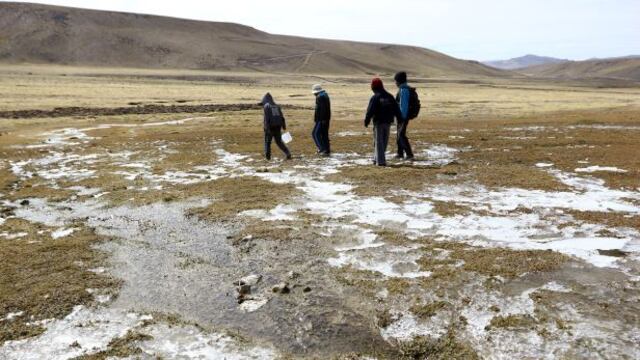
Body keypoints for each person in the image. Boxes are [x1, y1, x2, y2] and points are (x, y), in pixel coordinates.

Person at [364, 78, 402, 166]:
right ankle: (376, 158)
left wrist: (367, 120)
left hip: (379, 122)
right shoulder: (390, 96)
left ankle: (380, 161)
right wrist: (399, 118)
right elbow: (396, 109)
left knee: (379, 142)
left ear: (374, 87)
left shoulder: (375, 97)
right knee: (383, 141)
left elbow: (370, 110)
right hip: (388, 122)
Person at [260, 93, 292, 160]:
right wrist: (283, 126)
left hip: (270, 127)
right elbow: (282, 117)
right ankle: (288, 153)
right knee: (279, 142)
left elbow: (266, 118)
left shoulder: (266, 106)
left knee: (267, 142)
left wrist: (266, 128)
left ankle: (267, 157)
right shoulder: (277, 106)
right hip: (278, 127)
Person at [394, 71, 414, 160]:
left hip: (403, 117)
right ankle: (400, 153)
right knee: (399, 134)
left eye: (396, 81)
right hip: (402, 116)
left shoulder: (404, 90)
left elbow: (404, 106)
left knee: (401, 134)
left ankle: (409, 154)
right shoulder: (404, 89)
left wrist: (401, 117)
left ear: (399, 81)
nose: (395, 83)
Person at [311, 84, 331, 156]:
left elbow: (322, 110)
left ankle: (322, 149)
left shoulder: (320, 97)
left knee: (315, 134)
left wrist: (321, 120)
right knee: (324, 134)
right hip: (325, 119)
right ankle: (326, 149)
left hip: (321, 119)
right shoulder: (325, 95)